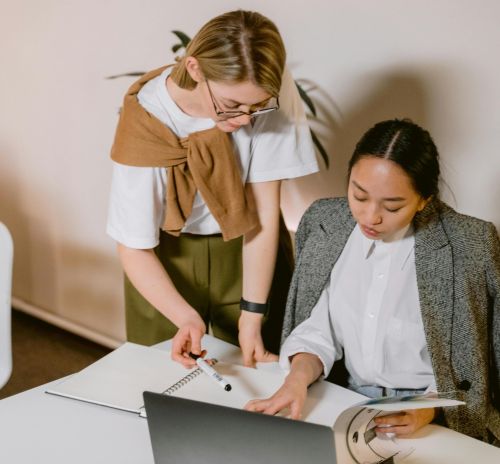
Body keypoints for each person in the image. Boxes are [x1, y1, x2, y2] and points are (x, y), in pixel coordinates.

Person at [245, 119, 500, 445]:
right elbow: (317, 330)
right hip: (341, 398)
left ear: (424, 199)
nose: (370, 217)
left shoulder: (469, 243)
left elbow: (473, 359)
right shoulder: (325, 222)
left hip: (436, 413)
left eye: (392, 205)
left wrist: (426, 409)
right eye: (359, 195)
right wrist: (297, 378)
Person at [107, 10, 319, 368]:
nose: (244, 120)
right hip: (163, 259)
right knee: (161, 380)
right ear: (195, 69)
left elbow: (265, 215)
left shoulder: (267, 89)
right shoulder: (146, 119)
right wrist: (186, 318)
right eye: (232, 105)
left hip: (249, 247)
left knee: (256, 380)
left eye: (257, 108)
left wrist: (252, 316)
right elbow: (133, 246)